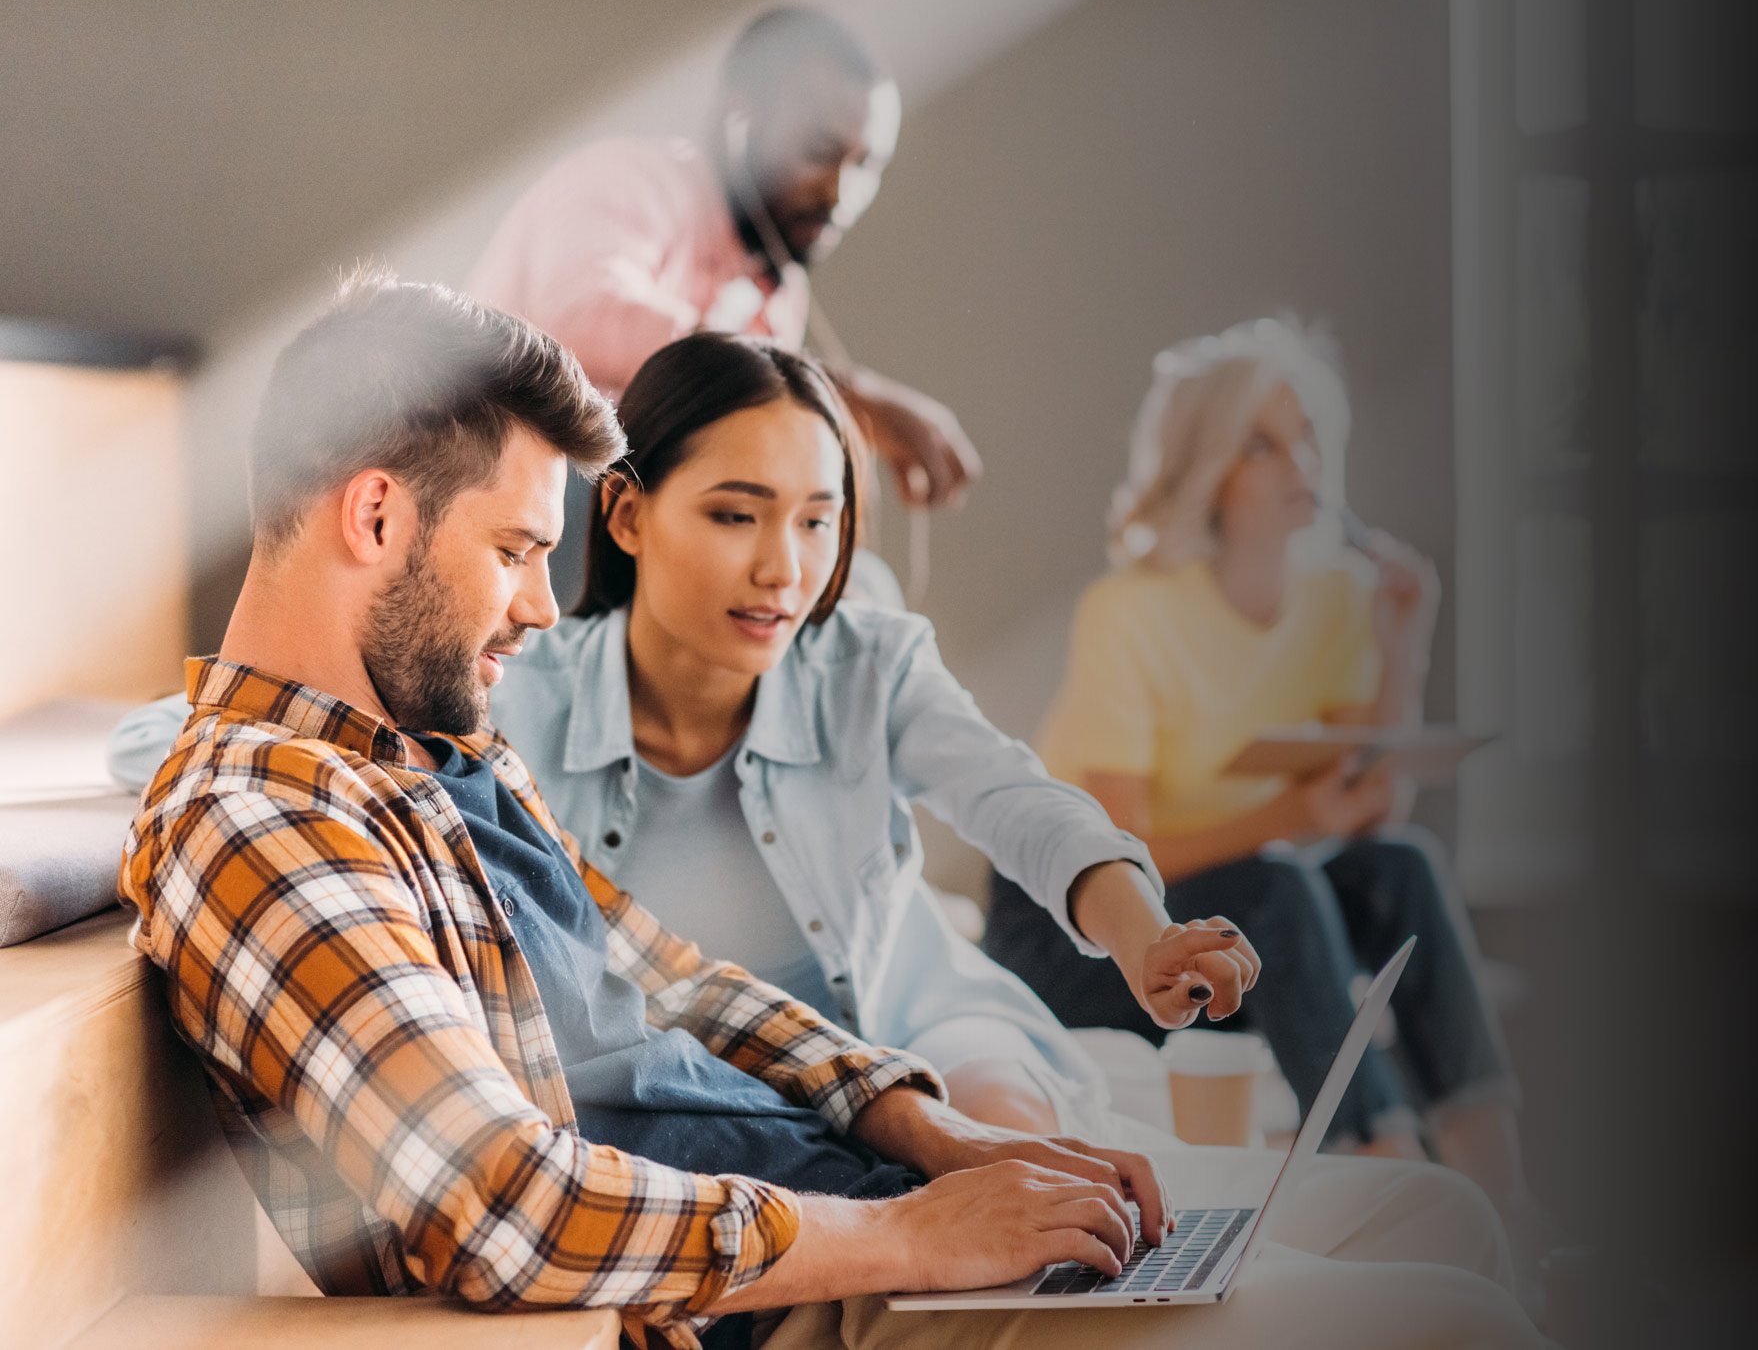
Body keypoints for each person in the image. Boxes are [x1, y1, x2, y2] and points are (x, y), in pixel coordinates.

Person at [116, 276, 1543, 1348]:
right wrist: (910, 1234)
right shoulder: (261, 824)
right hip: (812, 1299)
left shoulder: (430, 757)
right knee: (1441, 1318)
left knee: (1442, 1218)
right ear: (373, 518)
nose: (543, 608)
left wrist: (930, 1131)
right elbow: (503, 1205)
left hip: (870, 1202)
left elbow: (674, 981)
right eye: (513, 551)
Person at [105, 327, 1261, 1138]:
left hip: (898, 1028)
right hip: (714, 1079)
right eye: (734, 514)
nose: (786, 568)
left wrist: (1143, 933)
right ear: (628, 512)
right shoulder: (512, 680)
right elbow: (210, 723)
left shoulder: (867, 659)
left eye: (818, 521)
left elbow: (1017, 801)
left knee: (1003, 1130)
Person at [982, 315, 1548, 1248]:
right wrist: (1289, 815)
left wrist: (1405, 641)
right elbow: (1124, 854)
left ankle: (1505, 1199)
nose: (1300, 465)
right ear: (1208, 471)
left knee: (1399, 864)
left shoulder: (1332, 603)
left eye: (1307, 437)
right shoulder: (1129, 614)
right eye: (1261, 444)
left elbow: (1367, 809)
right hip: (1085, 928)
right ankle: (1395, 1179)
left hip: (1227, 898)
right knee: (1277, 887)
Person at [466, 3, 980, 607]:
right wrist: (837, 392)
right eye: (819, 150)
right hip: (501, 485)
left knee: (858, 591)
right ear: (740, 115)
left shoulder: (776, 293)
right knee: (595, 476)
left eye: (865, 165)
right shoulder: (628, 179)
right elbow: (583, 321)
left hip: (622, 536)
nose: (841, 195)